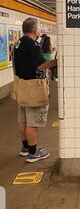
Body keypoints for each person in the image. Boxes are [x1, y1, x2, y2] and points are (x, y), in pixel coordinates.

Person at [13, 18, 57, 163]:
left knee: (23, 119)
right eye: (38, 28)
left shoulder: (18, 43)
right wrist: (57, 61)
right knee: (32, 122)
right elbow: (40, 65)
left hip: (22, 86)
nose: (39, 31)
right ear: (34, 30)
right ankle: (33, 152)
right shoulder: (32, 45)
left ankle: (25, 148)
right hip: (33, 88)